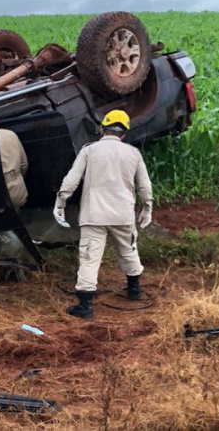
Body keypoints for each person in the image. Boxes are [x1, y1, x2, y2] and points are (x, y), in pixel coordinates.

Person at [53, 109, 153, 319]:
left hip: (94, 215)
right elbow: (144, 185)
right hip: (123, 214)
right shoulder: (133, 153)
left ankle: (85, 306)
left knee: (89, 258)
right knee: (128, 250)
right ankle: (134, 290)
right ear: (124, 134)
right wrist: (147, 208)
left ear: (102, 129)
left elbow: (72, 179)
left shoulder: (89, 151)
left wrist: (61, 201)